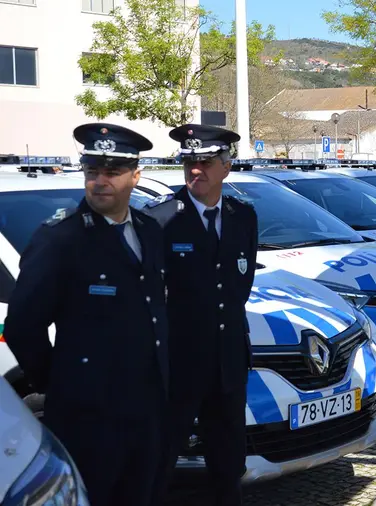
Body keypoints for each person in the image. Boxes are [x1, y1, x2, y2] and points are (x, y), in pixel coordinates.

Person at [4, 123, 168, 506]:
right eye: (92, 171)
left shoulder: (149, 230)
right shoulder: (61, 238)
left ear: (135, 175)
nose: (99, 182)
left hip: (146, 411)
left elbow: (156, 313)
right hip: (88, 415)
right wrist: (61, 381)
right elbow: (23, 325)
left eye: (112, 172)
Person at [147, 124, 258, 506]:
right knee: (158, 464)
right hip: (177, 367)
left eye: (205, 162)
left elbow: (238, 286)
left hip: (227, 365)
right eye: (189, 162)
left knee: (229, 466)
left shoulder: (242, 216)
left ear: (226, 167)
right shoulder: (160, 220)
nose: (195, 170)